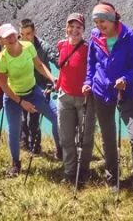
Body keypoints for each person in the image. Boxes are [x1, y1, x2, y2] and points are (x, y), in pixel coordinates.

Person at [83, 2, 133, 207]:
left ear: (113, 19)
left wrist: (126, 78)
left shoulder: (129, 36)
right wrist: (88, 82)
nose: (99, 25)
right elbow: (91, 64)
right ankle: (112, 177)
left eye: (102, 21)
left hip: (126, 93)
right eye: (96, 21)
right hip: (101, 92)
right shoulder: (95, 36)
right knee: (108, 136)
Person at [0, 22, 61, 176]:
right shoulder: (2, 58)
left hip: (33, 90)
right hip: (13, 97)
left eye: (12, 34)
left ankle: (61, 150)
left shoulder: (27, 47)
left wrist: (53, 79)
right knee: (14, 129)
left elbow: (39, 65)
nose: (11, 38)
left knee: (57, 117)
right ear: (1, 40)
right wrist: (20, 102)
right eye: (7, 37)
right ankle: (16, 164)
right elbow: (4, 85)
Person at [55, 12, 93, 185]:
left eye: (78, 27)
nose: (74, 30)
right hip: (65, 97)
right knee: (66, 138)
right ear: (66, 28)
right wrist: (58, 84)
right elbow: (63, 68)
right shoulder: (61, 45)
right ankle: (70, 172)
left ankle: (83, 170)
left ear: (83, 30)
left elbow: (93, 70)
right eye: (71, 26)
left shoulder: (89, 48)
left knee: (85, 138)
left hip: (85, 98)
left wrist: (89, 84)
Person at [19, 18, 57, 154]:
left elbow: (56, 59)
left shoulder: (44, 46)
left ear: (35, 32)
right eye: (22, 35)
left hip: (40, 86)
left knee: (33, 118)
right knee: (22, 117)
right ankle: (24, 145)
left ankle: (35, 147)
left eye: (28, 34)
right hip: (23, 86)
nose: (25, 38)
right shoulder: (17, 46)